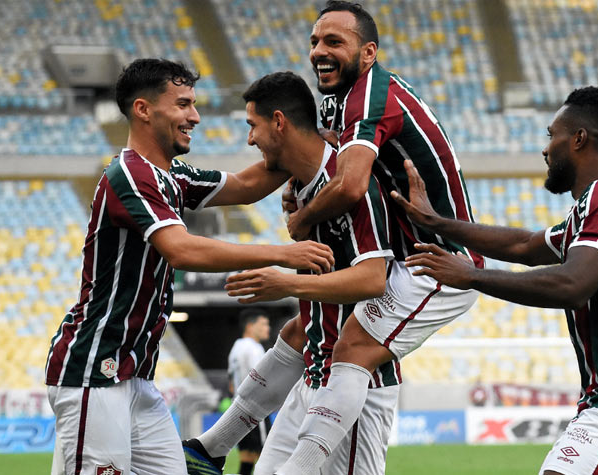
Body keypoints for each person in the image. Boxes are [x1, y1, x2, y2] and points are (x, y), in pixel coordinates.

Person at [44, 58, 334, 475]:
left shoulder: (170, 175)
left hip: (136, 376)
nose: (194, 116)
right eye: (182, 104)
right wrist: (282, 253)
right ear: (144, 109)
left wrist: (306, 144)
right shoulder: (129, 173)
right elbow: (182, 250)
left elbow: (248, 186)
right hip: (95, 371)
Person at [392, 86, 598, 475]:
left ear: (579, 139)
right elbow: (525, 245)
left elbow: (573, 285)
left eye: (552, 135)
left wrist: (472, 276)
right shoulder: (588, 210)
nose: (546, 148)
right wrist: (436, 223)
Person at [274, 2, 483, 473]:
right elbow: (327, 159)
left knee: (350, 349)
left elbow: (349, 185)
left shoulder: (369, 97)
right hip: (406, 259)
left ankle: (291, 466)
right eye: (314, 42)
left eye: (334, 42)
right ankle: (217, 445)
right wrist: (299, 183)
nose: (319, 52)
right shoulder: (340, 97)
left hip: (439, 263)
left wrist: (303, 219)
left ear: (368, 53)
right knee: (307, 333)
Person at [183, 71, 400, 475]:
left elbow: (373, 280)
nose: (250, 139)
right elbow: (246, 185)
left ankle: (211, 446)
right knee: (295, 331)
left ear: (279, 122)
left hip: (354, 390)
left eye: (253, 126)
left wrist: (284, 281)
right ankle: (210, 447)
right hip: (311, 380)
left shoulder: (350, 184)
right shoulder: (302, 186)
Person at [227, 309, 272, 475]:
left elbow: (231, 384)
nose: (267, 328)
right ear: (250, 326)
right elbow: (261, 379)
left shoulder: (236, 347)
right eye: (264, 324)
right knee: (267, 457)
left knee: (246, 457)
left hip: (237, 410)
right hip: (256, 410)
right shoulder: (254, 348)